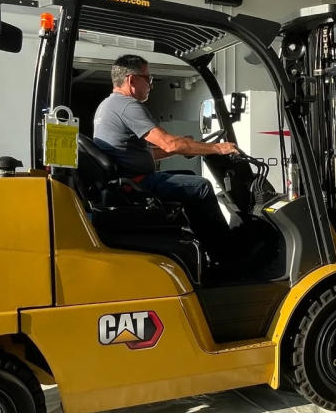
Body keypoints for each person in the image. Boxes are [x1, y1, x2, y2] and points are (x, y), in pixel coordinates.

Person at [93, 54, 239, 261]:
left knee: (187, 176)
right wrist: (217, 148)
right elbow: (169, 143)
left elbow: (148, 151)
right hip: (135, 183)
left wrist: (185, 147)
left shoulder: (107, 106)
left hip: (126, 180)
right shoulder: (127, 106)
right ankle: (226, 254)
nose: (151, 85)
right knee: (201, 186)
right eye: (148, 79)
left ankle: (202, 242)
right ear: (131, 80)